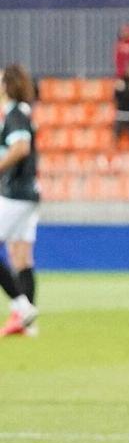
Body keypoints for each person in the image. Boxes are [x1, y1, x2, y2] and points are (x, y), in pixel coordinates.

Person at [0, 64, 41, 338]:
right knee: (22, 256)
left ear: (7, 85)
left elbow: (21, 147)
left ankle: (21, 306)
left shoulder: (15, 113)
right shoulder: (22, 112)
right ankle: (26, 325)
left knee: (19, 254)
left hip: (16, 193)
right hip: (30, 194)